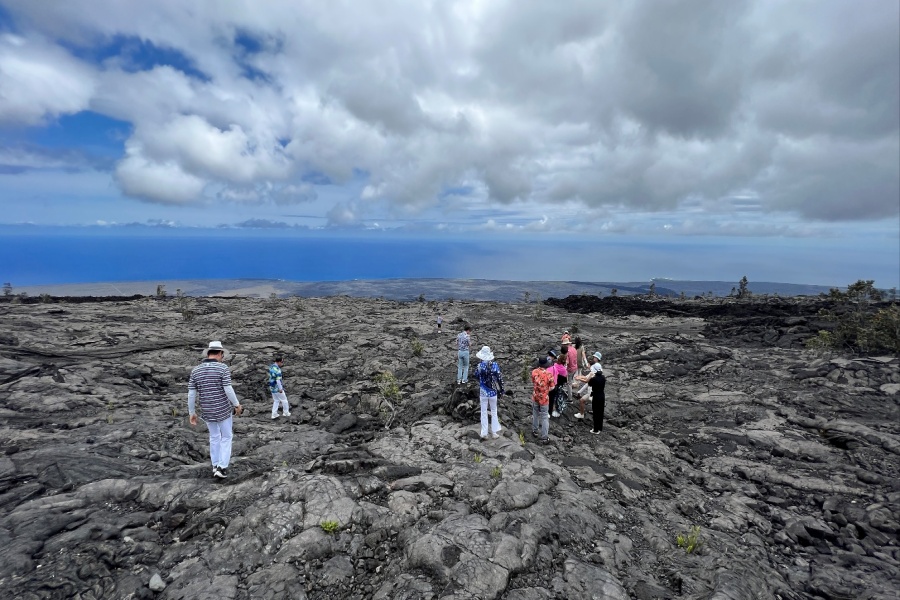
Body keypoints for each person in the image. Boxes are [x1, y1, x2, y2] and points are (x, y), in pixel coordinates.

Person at [188, 341, 243, 479]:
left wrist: (191, 412)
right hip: (223, 409)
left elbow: (191, 394)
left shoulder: (196, 370)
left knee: (214, 436)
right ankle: (222, 467)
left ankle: (215, 465)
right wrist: (237, 404)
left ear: (208, 353)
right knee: (227, 436)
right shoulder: (222, 368)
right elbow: (228, 389)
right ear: (219, 353)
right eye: (222, 354)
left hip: (206, 410)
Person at [474, 345, 505, 439]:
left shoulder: (479, 366)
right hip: (493, 392)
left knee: (483, 411)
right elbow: (499, 379)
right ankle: (494, 432)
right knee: (494, 411)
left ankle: (484, 433)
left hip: (483, 391)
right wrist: (502, 390)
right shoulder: (495, 365)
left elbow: (475, 376)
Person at [575, 352, 606, 433]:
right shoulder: (603, 378)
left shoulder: (594, 379)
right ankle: (600, 428)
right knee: (600, 412)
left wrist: (579, 379)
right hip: (602, 395)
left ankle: (595, 430)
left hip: (595, 396)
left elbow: (587, 381)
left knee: (596, 413)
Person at [531, 356, 555, 444]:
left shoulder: (534, 372)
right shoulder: (549, 375)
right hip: (544, 398)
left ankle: (535, 431)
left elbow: (533, 382)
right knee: (544, 417)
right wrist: (546, 390)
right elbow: (552, 387)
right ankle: (544, 437)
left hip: (535, 396)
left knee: (535, 413)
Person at [573, 351, 602, 419]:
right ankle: (583, 414)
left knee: (585, 401)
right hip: (596, 392)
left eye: (594, 357)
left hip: (592, 392)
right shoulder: (598, 369)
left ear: (597, 358)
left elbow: (587, 380)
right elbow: (586, 377)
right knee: (583, 400)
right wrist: (579, 377)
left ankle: (583, 414)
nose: (593, 358)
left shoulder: (594, 371)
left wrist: (578, 378)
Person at [268, 355, 291, 419]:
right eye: (282, 362)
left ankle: (274, 414)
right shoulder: (278, 370)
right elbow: (278, 380)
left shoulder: (271, 367)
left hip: (272, 387)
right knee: (284, 400)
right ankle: (286, 413)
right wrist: (280, 388)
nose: (282, 363)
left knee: (276, 400)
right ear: (279, 362)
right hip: (277, 388)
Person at [550, 352, 568, 417]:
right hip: (559, 385)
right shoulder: (564, 370)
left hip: (553, 383)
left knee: (552, 397)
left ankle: (551, 409)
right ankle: (557, 410)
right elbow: (565, 380)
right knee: (559, 397)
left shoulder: (554, 365)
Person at [562, 337, 578, 402]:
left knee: (569, 383)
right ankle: (570, 394)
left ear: (565, 344)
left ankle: (570, 398)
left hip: (570, 369)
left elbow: (567, 362)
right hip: (575, 367)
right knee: (570, 382)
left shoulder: (567, 351)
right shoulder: (574, 349)